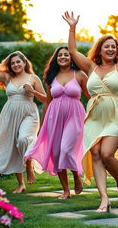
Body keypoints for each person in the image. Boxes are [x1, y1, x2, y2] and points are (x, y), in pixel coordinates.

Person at [62, 4, 118, 212]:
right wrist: (72, 28)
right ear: (100, 49)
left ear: (116, 50)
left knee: (107, 154)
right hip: (95, 116)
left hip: (117, 115)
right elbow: (72, 50)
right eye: (106, 46)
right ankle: (104, 199)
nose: (110, 49)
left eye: (113, 46)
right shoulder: (90, 67)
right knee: (95, 153)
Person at [25, 46, 89, 199]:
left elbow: (90, 95)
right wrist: (43, 125)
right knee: (56, 153)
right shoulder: (51, 76)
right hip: (54, 117)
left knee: (66, 149)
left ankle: (76, 175)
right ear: (56, 58)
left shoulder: (79, 74)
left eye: (66, 55)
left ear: (71, 57)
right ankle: (66, 191)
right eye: (60, 55)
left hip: (74, 115)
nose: (63, 57)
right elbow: (48, 101)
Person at [0, 41, 47, 193]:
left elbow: (45, 99)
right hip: (10, 115)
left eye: (18, 62)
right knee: (13, 147)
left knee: (23, 140)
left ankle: (29, 164)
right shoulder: (8, 77)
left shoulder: (33, 78)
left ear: (24, 62)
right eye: (12, 63)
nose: (15, 65)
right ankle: (21, 184)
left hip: (29, 114)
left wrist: (33, 92)